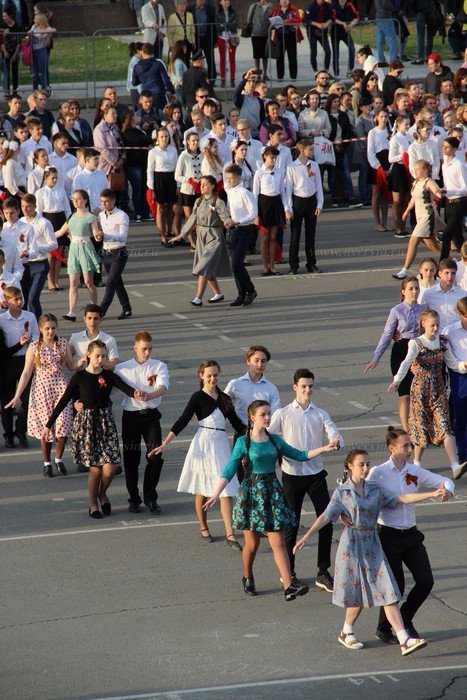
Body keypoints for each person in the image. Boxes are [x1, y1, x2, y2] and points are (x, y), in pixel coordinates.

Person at [294, 448, 446, 654]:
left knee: (387, 591)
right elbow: (325, 516)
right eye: (361, 465)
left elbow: (401, 498)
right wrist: (305, 536)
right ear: (349, 466)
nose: (366, 468)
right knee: (356, 593)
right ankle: (347, 632)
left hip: (373, 544)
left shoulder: (376, 489)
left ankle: (404, 639)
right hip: (353, 546)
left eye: (367, 464)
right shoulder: (342, 492)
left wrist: (431, 494)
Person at [204, 399, 337, 599]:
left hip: (272, 492)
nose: (268, 418)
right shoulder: (243, 441)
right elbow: (231, 467)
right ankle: (247, 576)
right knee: (252, 544)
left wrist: (323, 449)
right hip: (251, 494)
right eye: (263, 415)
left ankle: (289, 586)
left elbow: (299, 455)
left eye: (269, 414)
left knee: (278, 542)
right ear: (252, 418)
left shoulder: (274, 440)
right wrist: (216, 493)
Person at [43, 340, 147, 518]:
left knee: (110, 468)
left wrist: (136, 393)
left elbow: (126, 388)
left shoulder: (108, 375)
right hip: (87, 425)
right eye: (97, 355)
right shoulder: (80, 376)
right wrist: (49, 424)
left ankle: (102, 493)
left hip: (106, 424)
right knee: (96, 469)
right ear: (89, 355)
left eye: (103, 356)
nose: (101, 359)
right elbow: (64, 400)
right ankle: (93, 504)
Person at [369, 428, 455, 643]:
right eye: (405, 445)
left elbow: (443, 480)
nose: (410, 449)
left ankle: (404, 619)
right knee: (395, 586)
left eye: (410, 445)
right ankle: (384, 629)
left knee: (425, 581)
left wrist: (448, 491)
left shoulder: (414, 471)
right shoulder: (378, 473)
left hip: (411, 535)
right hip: (388, 535)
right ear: (392, 448)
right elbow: (364, 491)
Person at [152, 359, 245, 545]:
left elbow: (237, 424)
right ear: (201, 376)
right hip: (203, 444)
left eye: (216, 375)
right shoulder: (197, 397)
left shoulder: (224, 398)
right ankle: (204, 526)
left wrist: (258, 435)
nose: (213, 379)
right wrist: (165, 443)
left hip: (220, 445)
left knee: (226, 489)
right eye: (209, 375)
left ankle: (230, 533)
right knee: (202, 488)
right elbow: (183, 420)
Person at [270, 368, 343, 593]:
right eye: (303, 386)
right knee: (291, 525)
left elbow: (334, 433)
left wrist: (335, 440)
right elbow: (268, 437)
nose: (308, 390)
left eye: (310, 386)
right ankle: (289, 572)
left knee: (327, 520)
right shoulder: (282, 414)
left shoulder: (320, 413)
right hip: (292, 475)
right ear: (295, 387)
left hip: (315, 475)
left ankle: (323, 571)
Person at [388, 309, 461, 476]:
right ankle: (416, 463)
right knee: (421, 428)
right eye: (432, 325)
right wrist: (397, 381)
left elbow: (450, 362)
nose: (435, 328)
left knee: (445, 424)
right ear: (423, 324)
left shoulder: (442, 341)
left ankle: (455, 465)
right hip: (420, 390)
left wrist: (462, 366)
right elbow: (406, 362)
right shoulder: (416, 343)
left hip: (439, 389)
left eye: (437, 325)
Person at [4, 314, 75, 478]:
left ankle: (58, 458)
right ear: (41, 329)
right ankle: (47, 463)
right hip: (41, 390)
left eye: (54, 328)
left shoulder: (63, 343)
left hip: (61, 388)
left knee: (63, 425)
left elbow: (71, 366)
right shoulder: (34, 346)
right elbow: (27, 372)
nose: (51, 331)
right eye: (47, 328)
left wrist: (84, 362)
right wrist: (17, 396)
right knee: (47, 428)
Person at [114, 330, 169, 513]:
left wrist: (150, 395)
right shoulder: (122, 368)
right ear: (135, 347)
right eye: (144, 349)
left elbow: (163, 387)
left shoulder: (159, 366)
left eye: (150, 349)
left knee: (155, 455)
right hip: (131, 417)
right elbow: (109, 388)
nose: (147, 353)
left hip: (151, 416)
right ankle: (134, 498)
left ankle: (150, 497)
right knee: (131, 458)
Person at [365, 277, 427, 430]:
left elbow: (429, 331)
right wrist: (376, 358)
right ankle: (406, 431)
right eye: (411, 288)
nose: (414, 292)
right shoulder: (396, 311)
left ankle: (419, 428)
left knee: (420, 394)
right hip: (401, 351)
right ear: (403, 291)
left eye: (416, 288)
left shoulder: (424, 309)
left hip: (419, 351)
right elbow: (387, 334)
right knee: (405, 393)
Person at [169, 174, 234, 304]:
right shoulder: (198, 201)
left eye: (205, 184)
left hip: (214, 235)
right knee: (206, 267)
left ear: (212, 186)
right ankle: (218, 294)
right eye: (201, 184)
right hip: (201, 235)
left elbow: (225, 217)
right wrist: (181, 235)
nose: (202, 186)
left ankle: (198, 298)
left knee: (203, 264)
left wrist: (229, 222)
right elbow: (192, 220)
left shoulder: (218, 202)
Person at [0, 286, 39, 448]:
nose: (20, 301)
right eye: (16, 299)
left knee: (28, 399)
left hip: (26, 360)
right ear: (7, 301)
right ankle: (8, 434)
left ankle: (20, 430)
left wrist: (31, 342)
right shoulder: (1, 320)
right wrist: (19, 344)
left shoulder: (29, 316)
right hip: (7, 364)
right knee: (7, 402)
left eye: (21, 298)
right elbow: (3, 349)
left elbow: (37, 335)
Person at [392, 161, 443, 280]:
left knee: (413, 241)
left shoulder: (428, 181)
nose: (415, 171)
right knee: (433, 246)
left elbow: (436, 190)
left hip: (427, 215)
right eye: (414, 169)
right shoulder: (416, 182)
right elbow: (414, 199)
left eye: (418, 169)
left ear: (425, 170)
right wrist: (406, 211)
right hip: (420, 216)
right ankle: (451, 261)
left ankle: (404, 270)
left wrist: (438, 193)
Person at [55, 190, 100, 321]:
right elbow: (60, 232)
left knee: (88, 282)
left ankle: (94, 308)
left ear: (85, 200)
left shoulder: (90, 217)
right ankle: (71, 312)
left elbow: (96, 235)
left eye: (78, 199)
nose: (75, 201)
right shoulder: (71, 217)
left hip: (86, 248)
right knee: (73, 282)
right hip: (74, 249)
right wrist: (44, 236)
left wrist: (98, 236)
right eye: (74, 199)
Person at [285, 139, 323, 275]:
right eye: (310, 149)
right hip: (298, 202)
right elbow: (288, 190)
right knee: (295, 235)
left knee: (310, 234)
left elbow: (318, 186)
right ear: (302, 151)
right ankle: (293, 265)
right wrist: (288, 209)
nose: (312, 151)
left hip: (311, 201)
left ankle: (311, 263)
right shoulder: (292, 167)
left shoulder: (314, 165)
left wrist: (319, 204)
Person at [96, 189, 132, 321]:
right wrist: (99, 237)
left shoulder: (122, 216)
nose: (104, 204)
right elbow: (99, 232)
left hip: (119, 252)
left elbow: (123, 237)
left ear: (113, 201)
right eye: (101, 202)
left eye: (106, 201)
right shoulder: (100, 215)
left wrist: (105, 235)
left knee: (110, 282)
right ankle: (127, 308)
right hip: (106, 253)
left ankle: (101, 311)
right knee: (117, 283)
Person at [224, 165, 258, 306]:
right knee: (234, 265)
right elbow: (229, 208)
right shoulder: (230, 191)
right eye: (227, 179)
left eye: (231, 178)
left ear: (238, 177)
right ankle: (241, 294)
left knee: (237, 262)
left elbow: (253, 213)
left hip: (245, 229)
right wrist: (227, 220)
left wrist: (238, 221)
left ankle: (251, 290)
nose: (229, 181)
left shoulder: (244, 192)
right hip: (233, 230)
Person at [20, 193, 57, 319]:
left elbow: (53, 244)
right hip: (24, 264)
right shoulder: (21, 221)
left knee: (33, 298)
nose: (25, 209)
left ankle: (38, 328)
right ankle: (24, 327)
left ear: (35, 206)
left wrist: (36, 249)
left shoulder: (44, 223)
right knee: (22, 299)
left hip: (39, 264)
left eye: (28, 206)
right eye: (23, 206)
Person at [35, 166, 71, 292]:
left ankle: (56, 280)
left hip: (60, 220)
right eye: (52, 178)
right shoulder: (40, 192)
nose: (55, 180)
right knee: (51, 253)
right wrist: (40, 226)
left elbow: (67, 208)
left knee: (59, 253)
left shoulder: (61, 189)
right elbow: (38, 211)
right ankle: (50, 281)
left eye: (56, 178)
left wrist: (68, 224)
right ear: (46, 178)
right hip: (48, 220)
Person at [443, 297, 467, 477]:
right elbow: (449, 359)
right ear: (460, 315)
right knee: (459, 419)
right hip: (460, 377)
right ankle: (462, 456)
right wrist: (462, 366)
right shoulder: (450, 332)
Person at [252, 146, 286, 276]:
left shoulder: (279, 171)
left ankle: (272, 266)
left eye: (275, 158)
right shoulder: (259, 173)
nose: (274, 160)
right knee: (265, 237)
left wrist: (285, 208)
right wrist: (255, 214)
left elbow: (283, 191)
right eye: (272, 157)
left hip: (276, 203)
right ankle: (265, 267)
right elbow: (255, 193)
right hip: (264, 204)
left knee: (273, 237)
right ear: (265, 156)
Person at [147, 125, 178, 245]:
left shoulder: (173, 150)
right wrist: (151, 188)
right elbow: (149, 170)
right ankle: (163, 234)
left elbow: (176, 168)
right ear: (157, 139)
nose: (164, 139)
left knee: (171, 207)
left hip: (171, 178)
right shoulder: (153, 152)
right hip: (159, 179)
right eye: (162, 137)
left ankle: (170, 231)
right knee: (161, 208)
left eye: (166, 136)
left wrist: (178, 185)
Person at [439, 137, 467, 262]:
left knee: (446, 235)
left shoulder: (459, 165)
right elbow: (448, 184)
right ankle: (464, 259)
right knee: (456, 237)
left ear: (455, 149)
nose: (444, 148)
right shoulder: (445, 165)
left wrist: (448, 191)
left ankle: (442, 262)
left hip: (459, 203)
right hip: (449, 203)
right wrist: (442, 190)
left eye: (447, 147)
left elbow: (465, 188)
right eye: (443, 145)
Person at [69, 304, 119, 371]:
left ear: (101, 319)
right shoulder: (75, 338)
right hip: (81, 377)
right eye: (89, 318)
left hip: (101, 378)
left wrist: (99, 362)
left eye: (96, 318)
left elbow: (113, 366)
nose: (92, 322)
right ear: (84, 319)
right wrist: (82, 360)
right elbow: (71, 367)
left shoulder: (109, 340)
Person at [387, 116, 412, 238]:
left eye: (408, 124)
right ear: (398, 125)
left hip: (408, 169)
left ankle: (403, 225)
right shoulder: (395, 139)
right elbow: (391, 158)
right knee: (397, 201)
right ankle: (397, 228)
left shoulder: (409, 137)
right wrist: (403, 156)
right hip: (398, 169)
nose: (407, 126)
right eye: (405, 124)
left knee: (405, 200)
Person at [423, 257, 465, 329]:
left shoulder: (463, 295)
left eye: (453, 273)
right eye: (447, 273)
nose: (450, 276)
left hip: (457, 335)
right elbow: (422, 315)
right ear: (439, 273)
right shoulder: (428, 294)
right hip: (436, 335)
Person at [367, 109, 391, 232]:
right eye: (381, 116)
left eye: (386, 116)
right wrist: (378, 166)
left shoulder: (390, 132)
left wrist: (390, 167)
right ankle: (377, 222)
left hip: (388, 162)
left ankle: (385, 222)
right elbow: (370, 151)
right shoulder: (372, 132)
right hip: (377, 163)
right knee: (376, 194)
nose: (383, 119)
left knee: (385, 195)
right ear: (377, 117)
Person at [131, 43, 175, 110]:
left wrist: (143, 78)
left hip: (145, 96)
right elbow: (166, 81)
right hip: (158, 95)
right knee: (160, 116)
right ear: (152, 52)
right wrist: (173, 92)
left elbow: (134, 83)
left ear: (142, 52)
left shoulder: (137, 66)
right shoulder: (158, 64)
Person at [271, 0, 302, 82]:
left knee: (292, 56)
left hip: (291, 35)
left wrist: (287, 21)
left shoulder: (294, 9)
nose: (284, 1)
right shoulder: (277, 10)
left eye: (286, 0)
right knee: (280, 57)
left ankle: (293, 76)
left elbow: (298, 20)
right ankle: (280, 77)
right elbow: (272, 21)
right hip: (280, 35)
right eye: (282, 0)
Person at [188, 0, 218, 85]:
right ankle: (197, 79)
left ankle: (212, 80)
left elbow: (214, 25)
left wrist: (215, 40)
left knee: (210, 59)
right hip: (196, 38)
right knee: (196, 59)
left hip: (207, 38)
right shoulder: (190, 9)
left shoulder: (210, 9)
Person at [330, 0, 358, 80]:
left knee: (352, 48)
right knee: (336, 53)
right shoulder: (333, 6)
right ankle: (336, 74)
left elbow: (356, 16)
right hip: (335, 32)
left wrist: (351, 24)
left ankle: (350, 70)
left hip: (345, 32)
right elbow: (332, 18)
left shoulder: (349, 6)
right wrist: (342, 23)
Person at [28, 13, 56, 91]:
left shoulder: (47, 28)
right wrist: (30, 32)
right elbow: (29, 31)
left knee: (42, 73)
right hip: (33, 52)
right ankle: (35, 91)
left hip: (41, 52)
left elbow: (54, 30)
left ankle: (44, 90)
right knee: (34, 74)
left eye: (35, 19)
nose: (34, 20)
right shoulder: (34, 27)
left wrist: (43, 32)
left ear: (40, 20)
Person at [304, 0, 332, 74]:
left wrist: (327, 23)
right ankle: (315, 71)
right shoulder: (311, 6)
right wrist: (317, 24)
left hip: (323, 31)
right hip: (312, 31)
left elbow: (331, 17)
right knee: (314, 51)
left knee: (328, 51)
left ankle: (326, 70)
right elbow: (306, 19)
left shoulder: (327, 5)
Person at [216, 0, 239, 88]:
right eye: (224, 0)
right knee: (222, 59)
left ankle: (232, 79)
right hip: (221, 37)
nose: (226, 2)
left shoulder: (233, 12)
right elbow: (217, 26)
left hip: (232, 37)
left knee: (232, 58)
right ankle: (222, 79)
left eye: (228, 0)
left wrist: (225, 25)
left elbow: (235, 24)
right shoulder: (218, 14)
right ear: (221, 2)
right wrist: (228, 25)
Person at [248, 0, 272, 79]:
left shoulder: (270, 6)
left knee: (265, 55)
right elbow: (249, 19)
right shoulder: (254, 6)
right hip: (256, 34)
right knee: (257, 55)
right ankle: (258, 74)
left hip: (266, 33)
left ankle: (265, 74)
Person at [2, 7, 21, 96]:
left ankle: (15, 91)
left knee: (15, 72)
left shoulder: (16, 26)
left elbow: (19, 42)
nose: (4, 18)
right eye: (3, 16)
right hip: (5, 52)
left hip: (14, 52)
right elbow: (1, 41)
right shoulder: (3, 25)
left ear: (11, 16)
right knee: (6, 72)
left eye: (5, 16)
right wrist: (5, 52)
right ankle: (7, 92)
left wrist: (15, 54)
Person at [374, 0, 397, 65]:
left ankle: (381, 59)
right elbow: (386, 3)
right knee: (392, 39)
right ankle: (393, 60)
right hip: (385, 17)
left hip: (378, 16)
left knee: (379, 40)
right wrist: (393, 6)